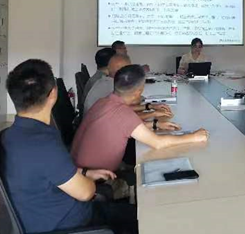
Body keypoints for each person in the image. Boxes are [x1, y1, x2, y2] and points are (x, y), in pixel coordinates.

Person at [1, 59, 137, 234]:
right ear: (53, 93)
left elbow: (46, 170)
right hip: (70, 225)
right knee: (143, 219)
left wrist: (84, 172)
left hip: (45, 215)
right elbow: (86, 193)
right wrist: (90, 182)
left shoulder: (15, 133)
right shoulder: (42, 143)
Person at [71, 65, 209, 172]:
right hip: (94, 179)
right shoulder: (123, 114)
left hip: (78, 169)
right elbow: (157, 143)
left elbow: (123, 127)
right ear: (139, 92)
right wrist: (193, 137)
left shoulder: (103, 101)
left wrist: (155, 124)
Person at [84, 54, 172, 120]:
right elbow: (125, 116)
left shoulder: (106, 81)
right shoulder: (111, 86)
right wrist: (153, 114)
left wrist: (150, 106)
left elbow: (124, 109)